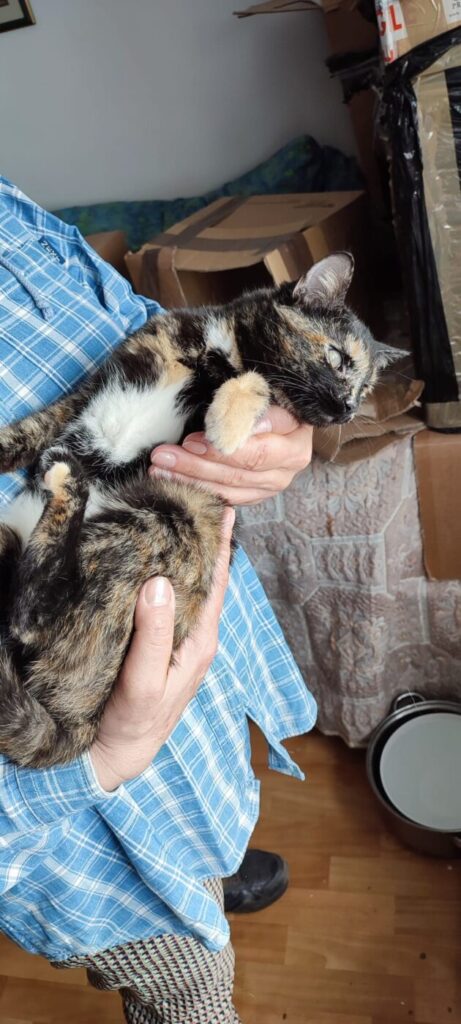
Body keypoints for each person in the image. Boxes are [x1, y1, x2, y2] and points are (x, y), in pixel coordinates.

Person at [0, 175, 317, 1024]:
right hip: (84, 827)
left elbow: (135, 335)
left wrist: (275, 424)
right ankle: (187, 923)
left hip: (192, 707)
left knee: (214, 819)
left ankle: (211, 861)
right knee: (188, 989)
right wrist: (108, 758)